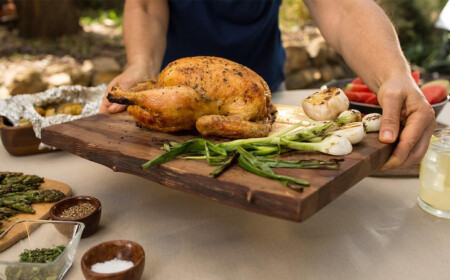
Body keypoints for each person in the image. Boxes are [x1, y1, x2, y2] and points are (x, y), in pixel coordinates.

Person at [100, 0, 436, 170]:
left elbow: (343, 8)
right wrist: (141, 67)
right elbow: (145, 5)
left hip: (269, 95)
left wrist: (393, 74)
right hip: (171, 96)